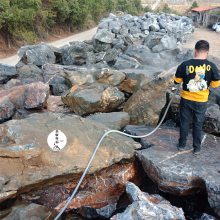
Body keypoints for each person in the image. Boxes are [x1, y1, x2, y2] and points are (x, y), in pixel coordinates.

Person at [174, 40, 220, 154]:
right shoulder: (211, 66)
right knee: (198, 124)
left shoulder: (185, 64)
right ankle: (197, 148)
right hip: (201, 101)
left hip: (186, 99)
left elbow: (176, 81)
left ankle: (181, 145)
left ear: (195, 50)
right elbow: (216, 84)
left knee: (184, 122)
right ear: (207, 52)